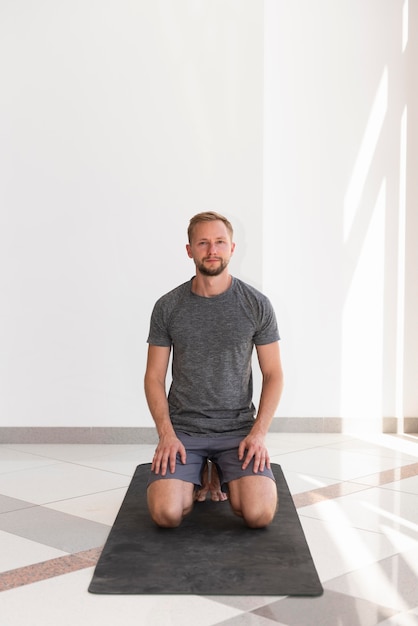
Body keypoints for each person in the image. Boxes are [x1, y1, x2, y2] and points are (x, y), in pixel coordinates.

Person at [144, 211, 284, 528]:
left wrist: (258, 434)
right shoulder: (168, 306)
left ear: (232, 248)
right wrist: (166, 435)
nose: (212, 250)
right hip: (184, 430)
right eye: (203, 243)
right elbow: (154, 377)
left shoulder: (256, 304)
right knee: (166, 514)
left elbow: (273, 374)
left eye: (220, 242)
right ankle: (198, 472)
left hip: (238, 430)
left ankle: (218, 471)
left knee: (258, 514)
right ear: (189, 250)